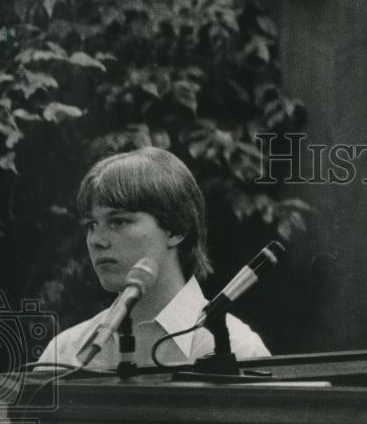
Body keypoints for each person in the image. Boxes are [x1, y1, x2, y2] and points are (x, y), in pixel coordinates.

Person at [38, 147, 270, 369]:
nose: (96, 240)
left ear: (177, 229)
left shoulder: (239, 351)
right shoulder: (65, 354)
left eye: (118, 221)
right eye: (91, 225)